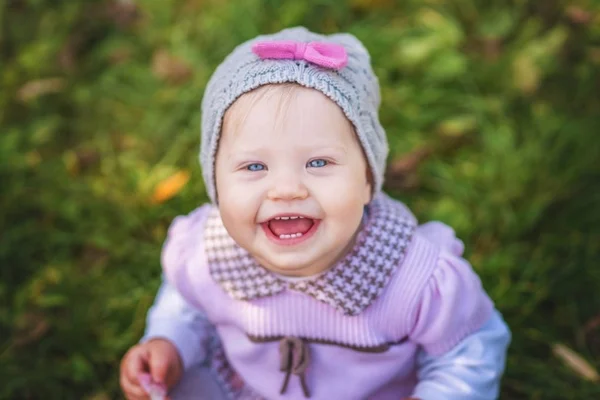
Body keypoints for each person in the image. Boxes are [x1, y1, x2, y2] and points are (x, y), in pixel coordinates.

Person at [119, 27, 511, 400]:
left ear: (367, 181)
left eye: (319, 162)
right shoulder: (208, 254)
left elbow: (467, 350)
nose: (287, 189)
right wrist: (168, 342)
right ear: (215, 187)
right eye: (254, 167)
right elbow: (188, 304)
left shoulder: (413, 277)